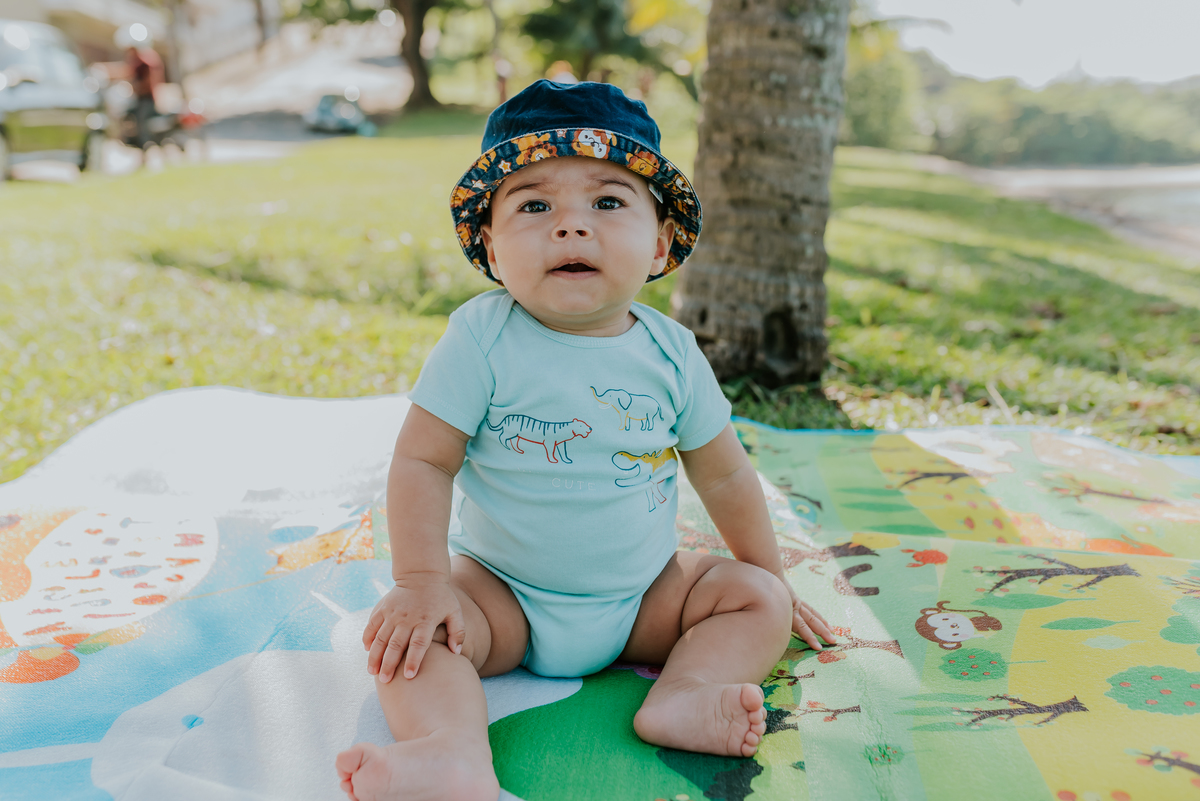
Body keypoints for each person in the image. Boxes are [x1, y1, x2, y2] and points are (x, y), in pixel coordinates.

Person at [335, 79, 836, 801]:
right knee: (412, 639)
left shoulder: (672, 353)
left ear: (661, 240)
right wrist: (421, 581)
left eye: (608, 201)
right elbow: (423, 458)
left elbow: (725, 476)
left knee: (753, 596)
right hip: (502, 596)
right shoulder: (481, 337)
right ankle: (450, 752)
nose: (571, 227)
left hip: (644, 600)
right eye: (534, 205)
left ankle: (686, 693)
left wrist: (776, 582)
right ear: (489, 243)